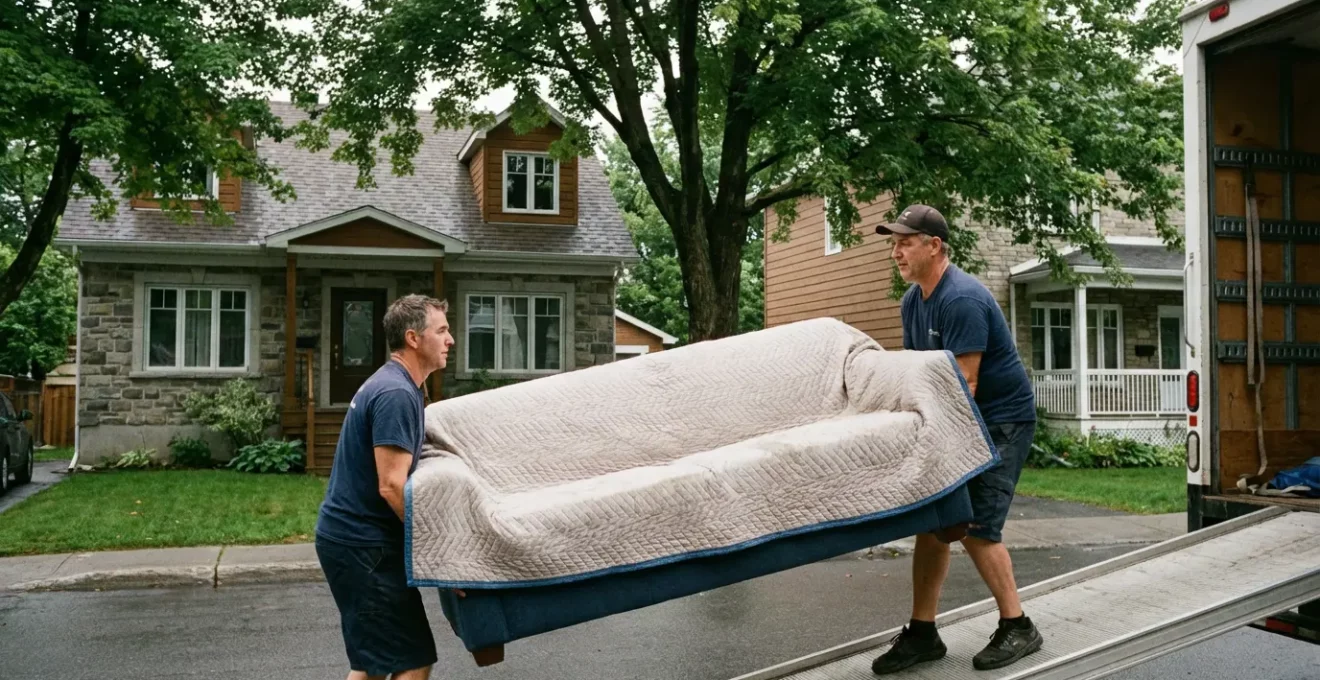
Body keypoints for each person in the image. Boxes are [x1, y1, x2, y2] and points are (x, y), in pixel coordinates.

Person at [870, 205, 1042, 674]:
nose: (896, 251)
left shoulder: (961, 298)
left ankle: (1019, 625)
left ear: (934, 246)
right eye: (893, 243)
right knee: (936, 523)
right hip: (962, 420)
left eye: (905, 242)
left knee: (978, 525)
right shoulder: (913, 301)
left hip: (1001, 421)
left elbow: (965, 384)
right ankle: (923, 634)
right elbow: (919, 374)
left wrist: (931, 438)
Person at [315, 294, 456, 680]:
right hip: (363, 548)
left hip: (353, 543)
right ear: (413, 338)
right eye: (441, 331)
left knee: (372, 666)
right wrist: (437, 551)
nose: (450, 340)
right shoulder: (396, 393)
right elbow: (392, 486)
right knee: (412, 660)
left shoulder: (399, 385)